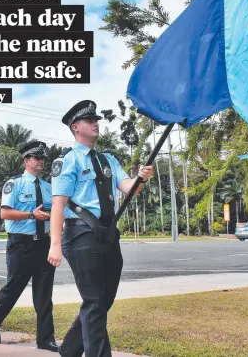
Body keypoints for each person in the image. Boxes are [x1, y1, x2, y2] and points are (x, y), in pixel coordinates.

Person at [47, 100, 153, 357]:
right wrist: (55, 244)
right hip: (81, 234)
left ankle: (70, 349)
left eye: (96, 119)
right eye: (89, 120)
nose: (95, 123)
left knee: (104, 300)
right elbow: (58, 205)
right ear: (76, 127)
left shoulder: (108, 160)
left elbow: (129, 189)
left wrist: (140, 177)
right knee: (94, 302)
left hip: (108, 235)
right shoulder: (68, 161)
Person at [0, 141, 58, 352]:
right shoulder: (14, 184)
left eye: (42, 159)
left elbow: (53, 214)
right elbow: (5, 213)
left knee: (44, 294)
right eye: (36, 159)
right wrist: (30, 214)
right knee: (14, 287)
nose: (40, 162)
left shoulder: (47, 187)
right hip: (21, 244)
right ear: (27, 161)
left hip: (43, 244)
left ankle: (45, 338)